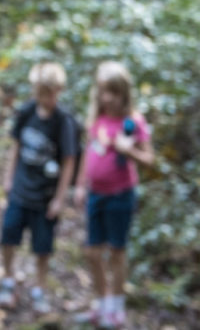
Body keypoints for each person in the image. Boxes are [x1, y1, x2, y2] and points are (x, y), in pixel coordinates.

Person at [72, 62, 155, 328]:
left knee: (117, 251)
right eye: (103, 92)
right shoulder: (98, 119)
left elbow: (149, 159)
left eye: (113, 93)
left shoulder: (133, 122)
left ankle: (116, 309)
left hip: (121, 195)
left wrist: (125, 149)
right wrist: (81, 185)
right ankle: (102, 302)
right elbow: (89, 153)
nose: (107, 98)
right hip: (96, 194)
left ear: (124, 93)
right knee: (92, 252)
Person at [0, 62, 79, 314]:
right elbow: (15, 146)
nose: (48, 98)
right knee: (9, 234)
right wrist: (8, 178)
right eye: (43, 92)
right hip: (21, 190)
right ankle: (8, 280)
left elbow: (69, 161)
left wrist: (60, 198)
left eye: (53, 93)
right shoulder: (27, 112)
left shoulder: (64, 122)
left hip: (45, 196)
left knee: (43, 246)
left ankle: (39, 289)